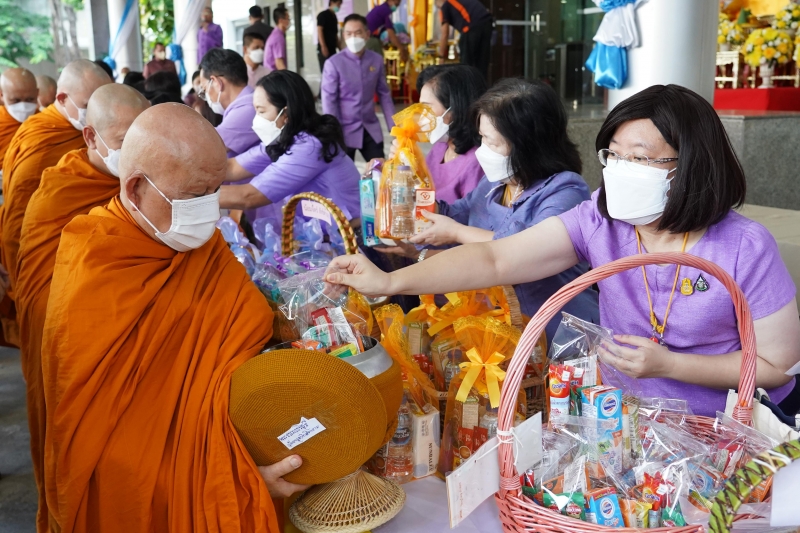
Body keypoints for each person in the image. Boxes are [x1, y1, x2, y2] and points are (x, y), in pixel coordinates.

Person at [325, 84, 800, 418]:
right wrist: (390, 282)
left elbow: (775, 368)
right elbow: (498, 258)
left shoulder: (743, 246)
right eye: (613, 155)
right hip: (619, 417)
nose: (619, 170)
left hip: (719, 429)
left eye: (639, 158)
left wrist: (672, 365)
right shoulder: (601, 217)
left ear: (692, 164)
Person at [40, 103, 306, 533]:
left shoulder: (203, 252)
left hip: (235, 448)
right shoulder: (93, 264)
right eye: (194, 196)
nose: (211, 210)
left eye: (215, 191)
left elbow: (245, 335)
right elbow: (107, 451)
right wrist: (231, 481)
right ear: (136, 188)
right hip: (151, 495)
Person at [16, 84, 149, 533]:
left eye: (142, 137)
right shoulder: (58, 192)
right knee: (71, 440)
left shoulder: (145, 183)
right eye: (125, 138)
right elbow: (47, 284)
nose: (136, 150)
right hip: (73, 336)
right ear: (91, 138)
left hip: (131, 343)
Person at [381, 79, 599, 341]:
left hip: (554, 334)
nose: (482, 152)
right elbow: (454, 213)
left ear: (529, 146)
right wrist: (410, 172)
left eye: (493, 143)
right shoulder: (498, 181)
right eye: (482, 138)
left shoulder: (566, 191)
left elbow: (518, 253)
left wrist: (457, 233)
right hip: (498, 330)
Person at [0, 60, 110, 348]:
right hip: (49, 264)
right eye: (88, 103)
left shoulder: (86, 128)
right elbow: (18, 223)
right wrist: (18, 276)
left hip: (92, 262)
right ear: (62, 99)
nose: (97, 112)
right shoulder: (40, 140)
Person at [220, 71, 361, 224]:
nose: (256, 120)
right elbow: (232, 167)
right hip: (324, 239)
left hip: (351, 240)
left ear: (285, 113)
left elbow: (249, 196)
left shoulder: (310, 147)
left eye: (261, 111)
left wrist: (194, 199)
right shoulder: (282, 140)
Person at [322, 14, 395, 162]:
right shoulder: (334, 63)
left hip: (370, 127)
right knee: (344, 177)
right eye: (349, 33)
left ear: (367, 35)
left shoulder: (376, 60)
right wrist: (332, 132)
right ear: (343, 36)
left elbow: (384, 95)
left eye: (358, 32)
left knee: (379, 171)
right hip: (343, 130)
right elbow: (329, 100)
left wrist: (394, 128)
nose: (353, 37)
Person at [416, 64, 486, 202]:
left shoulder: (476, 163)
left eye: (427, 108)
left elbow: (470, 218)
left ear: (456, 108)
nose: (421, 115)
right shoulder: (441, 148)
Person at [199, 48, 260, 157]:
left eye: (204, 89)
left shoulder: (247, 109)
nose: (206, 95)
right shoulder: (249, 102)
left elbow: (202, 147)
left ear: (217, 82)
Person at [435, 0, 493, 80]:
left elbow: (445, 34)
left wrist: (441, 56)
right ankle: (483, 89)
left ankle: (467, 89)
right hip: (487, 23)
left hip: (471, 27)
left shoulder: (445, 5)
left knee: (466, 66)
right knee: (482, 63)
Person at [0, 68, 39, 176]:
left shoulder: (45, 122)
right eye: (15, 100)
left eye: (30, 99)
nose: (23, 106)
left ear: (37, 93)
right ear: (1, 95)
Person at [317, 0, 342, 71]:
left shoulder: (334, 17)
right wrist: (323, 46)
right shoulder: (323, 15)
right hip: (324, 48)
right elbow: (319, 31)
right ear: (331, 3)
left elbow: (335, 34)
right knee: (326, 71)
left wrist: (340, 47)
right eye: (338, 4)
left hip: (332, 48)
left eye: (340, 5)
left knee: (334, 70)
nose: (339, 7)